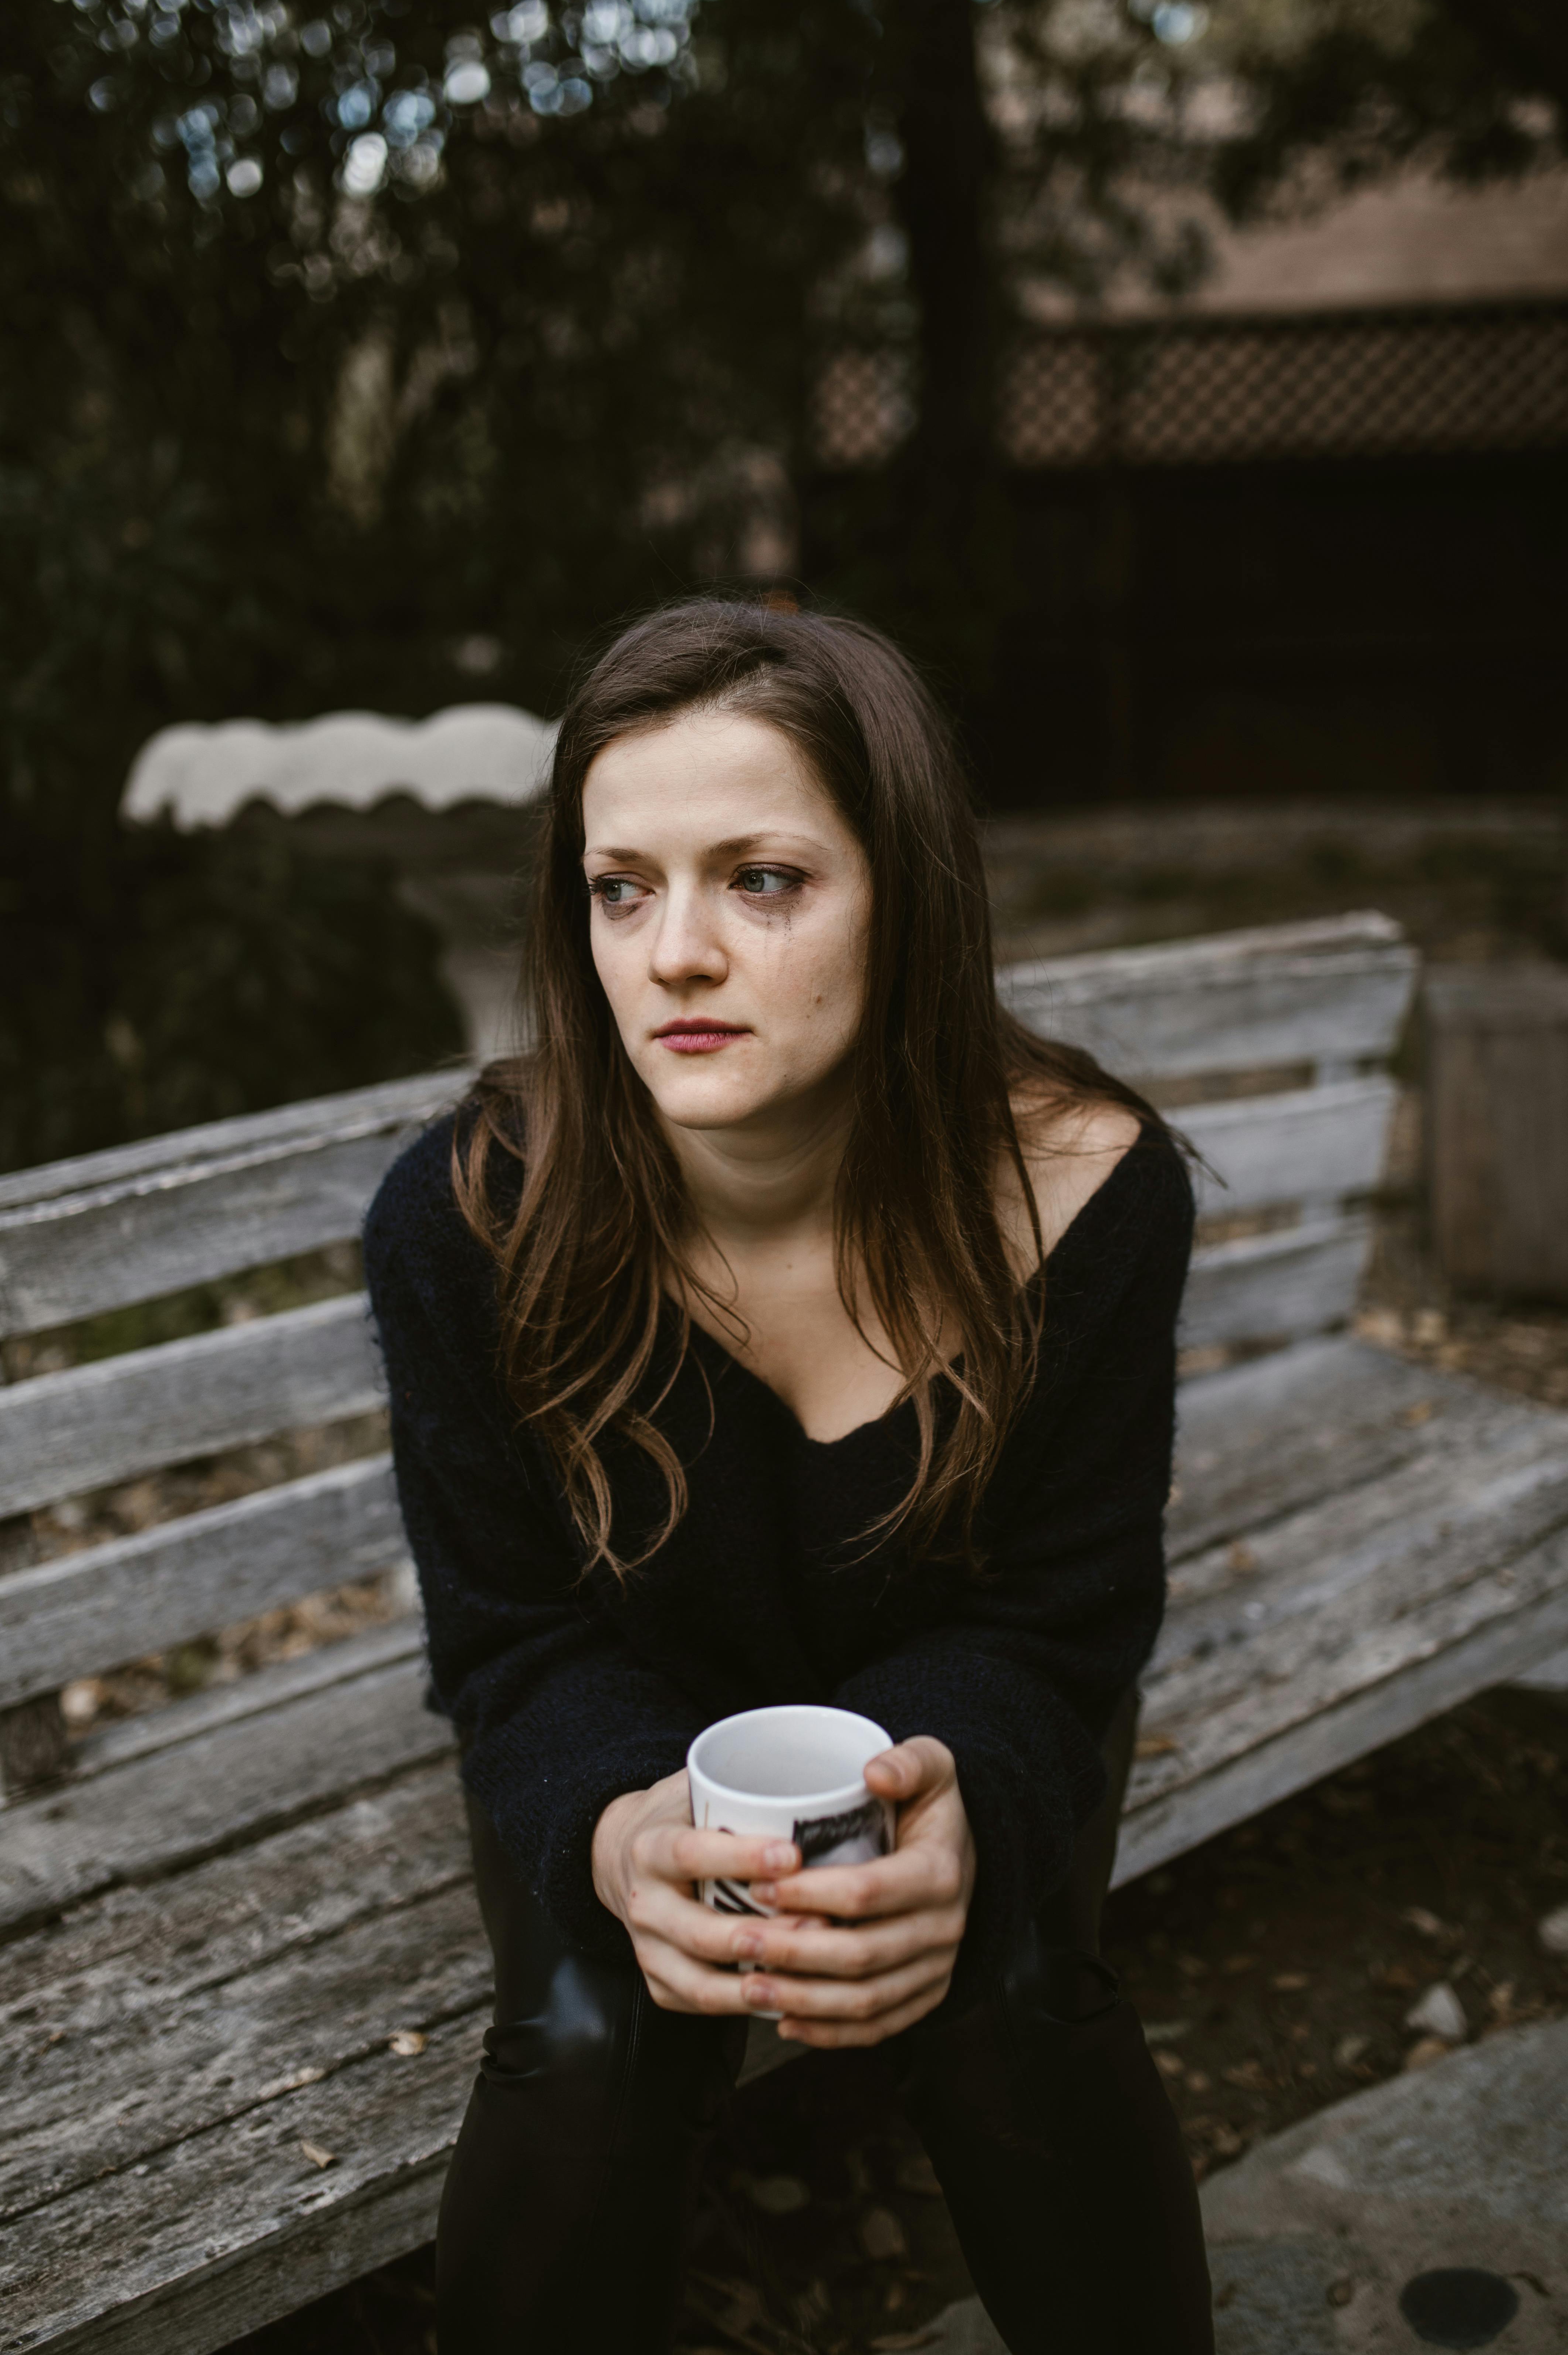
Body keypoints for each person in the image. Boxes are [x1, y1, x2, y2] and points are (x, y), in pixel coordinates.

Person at [362, 599, 1215, 2355]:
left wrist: (965, 1796)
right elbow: (511, 1647)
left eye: (759, 878)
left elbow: (1063, 1618)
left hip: (963, 1709)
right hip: (625, 1726)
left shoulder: (1081, 1196)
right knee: (589, 2041)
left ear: (902, 895)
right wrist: (614, 1832)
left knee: (1019, 1988)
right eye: (621, 887)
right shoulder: (471, 1223)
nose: (674, 951)